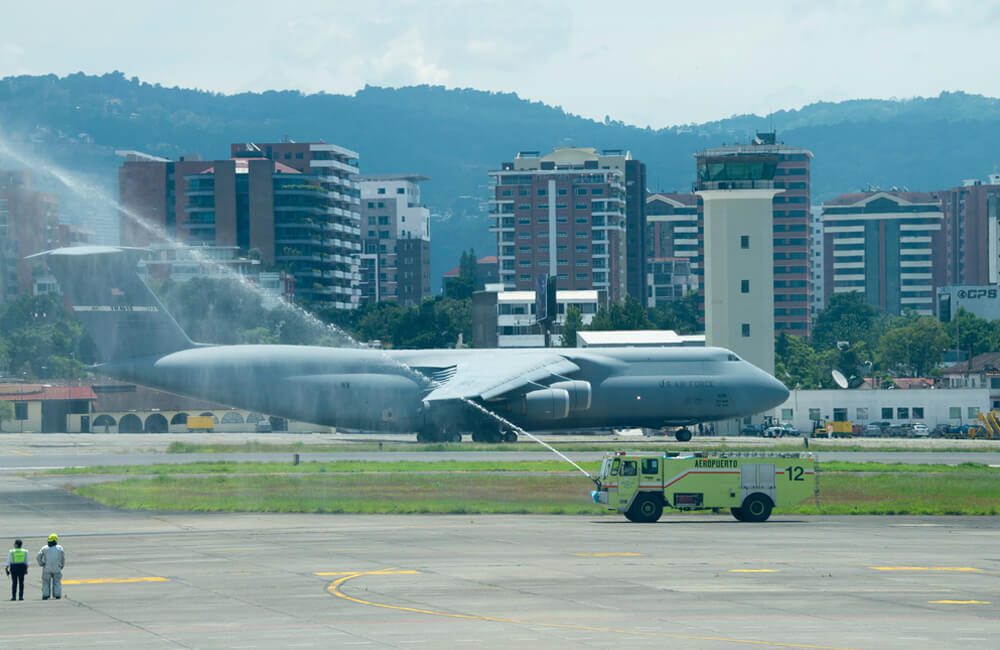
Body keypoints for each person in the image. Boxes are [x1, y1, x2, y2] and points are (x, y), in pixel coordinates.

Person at [36, 534, 65, 600]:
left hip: (47, 568)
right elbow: (62, 558)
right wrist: (62, 565)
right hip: (57, 568)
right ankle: (57, 595)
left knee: (46, 582)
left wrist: (41, 563)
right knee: (57, 582)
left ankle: (46, 595)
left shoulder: (44, 548)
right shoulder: (60, 548)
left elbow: (38, 557)